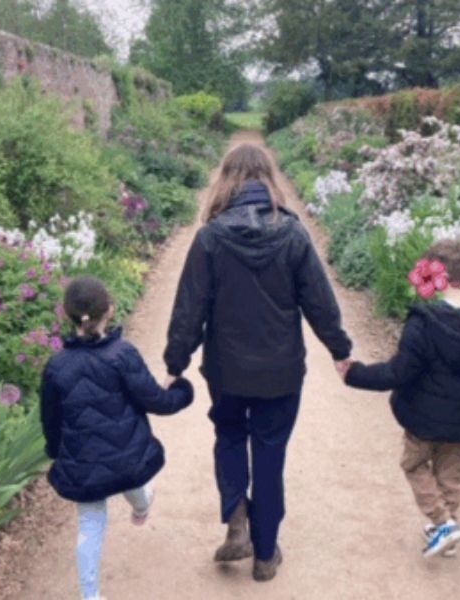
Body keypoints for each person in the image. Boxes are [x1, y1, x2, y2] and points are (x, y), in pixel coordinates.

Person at [163, 143, 352, 582]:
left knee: (229, 436)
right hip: (281, 371)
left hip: (226, 370)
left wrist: (176, 360)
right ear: (269, 179)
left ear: (225, 179)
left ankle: (235, 515)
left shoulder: (210, 238)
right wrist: (341, 352)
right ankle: (265, 554)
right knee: (270, 454)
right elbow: (320, 304)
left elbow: (189, 308)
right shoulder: (293, 234)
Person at [340, 238, 460, 558]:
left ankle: (443, 523)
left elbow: (398, 373)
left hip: (423, 416)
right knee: (450, 474)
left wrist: (354, 373)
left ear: (435, 274)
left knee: (415, 464)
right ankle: (446, 531)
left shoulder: (425, 322)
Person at [41, 277, 194, 600]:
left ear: (67, 314)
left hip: (83, 464)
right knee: (134, 482)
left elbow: (50, 419)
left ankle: (91, 596)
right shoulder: (122, 354)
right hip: (127, 457)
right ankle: (141, 508)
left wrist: (57, 452)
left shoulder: (56, 367)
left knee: (90, 526)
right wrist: (183, 392)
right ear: (109, 310)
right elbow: (154, 400)